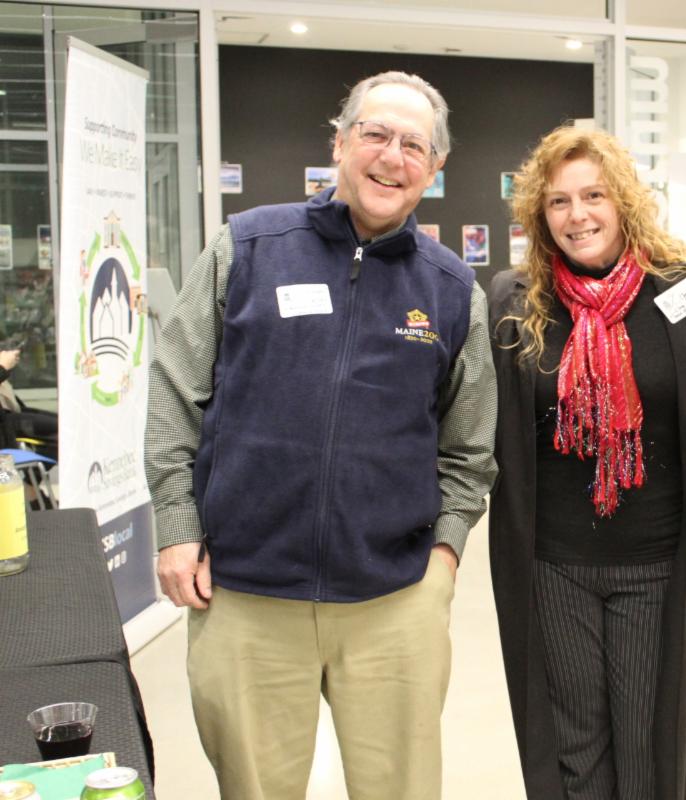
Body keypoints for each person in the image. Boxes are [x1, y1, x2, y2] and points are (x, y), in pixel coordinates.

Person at [145, 70, 497, 800]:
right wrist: (177, 527)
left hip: (394, 599)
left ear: (434, 167)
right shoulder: (248, 247)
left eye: (413, 145)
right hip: (245, 593)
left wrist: (444, 556)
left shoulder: (451, 289)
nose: (392, 157)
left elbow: (470, 448)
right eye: (375, 134)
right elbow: (176, 390)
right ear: (339, 143)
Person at [489, 126, 686, 800]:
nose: (577, 215)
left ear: (624, 200)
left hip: (655, 561)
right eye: (558, 201)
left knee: (648, 746)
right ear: (539, 213)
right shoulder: (514, 299)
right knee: (575, 749)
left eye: (594, 196)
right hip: (554, 564)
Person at [0, 346, 58, 460]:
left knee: (64, 425)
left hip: (8, 418)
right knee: (63, 431)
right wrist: (3, 367)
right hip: (6, 429)